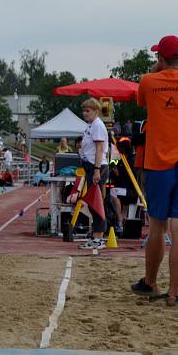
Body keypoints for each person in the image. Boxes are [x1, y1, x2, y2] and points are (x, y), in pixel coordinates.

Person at [131, 35, 178, 307]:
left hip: (159, 163)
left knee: (156, 227)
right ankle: (174, 293)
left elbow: (141, 99)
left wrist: (156, 71)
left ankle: (150, 283)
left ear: (161, 58)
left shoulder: (149, 81)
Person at [77, 98, 109, 250]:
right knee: (92, 203)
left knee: (96, 203)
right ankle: (96, 235)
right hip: (91, 166)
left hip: (97, 167)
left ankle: (99, 237)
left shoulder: (97, 125)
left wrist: (96, 170)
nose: (85, 113)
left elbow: (100, 149)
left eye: (88, 111)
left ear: (96, 111)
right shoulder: (91, 126)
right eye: (84, 111)